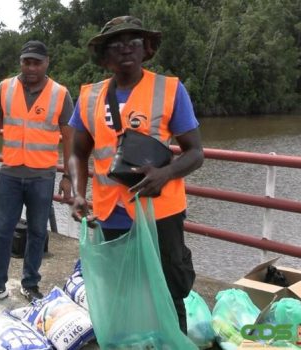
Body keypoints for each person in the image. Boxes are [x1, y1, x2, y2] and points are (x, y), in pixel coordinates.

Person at [68, 15, 204, 333]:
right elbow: (77, 153)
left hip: (160, 214)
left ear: (147, 49)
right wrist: (77, 191)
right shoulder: (88, 97)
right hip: (111, 213)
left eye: (134, 41)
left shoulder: (170, 90)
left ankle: (172, 340)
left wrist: (165, 173)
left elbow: (196, 152)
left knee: (170, 291)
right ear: (104, 55)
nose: (126, 48)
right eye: (116, 43)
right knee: (121, 293)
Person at [0, 40, 74, 307]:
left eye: (36, 62)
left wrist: (68, 176)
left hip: (43, 175)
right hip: (9, 174)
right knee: (2, 231)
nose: (30, 67)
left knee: (38, 232)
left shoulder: (60, 94)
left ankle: (30, 285)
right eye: (26, 62)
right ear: (20, 62)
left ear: (47, 62)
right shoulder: (4, 88)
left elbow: (70, 139)